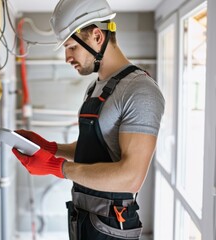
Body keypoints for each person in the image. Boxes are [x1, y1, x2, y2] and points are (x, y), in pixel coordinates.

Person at [12, 0, 165, 239]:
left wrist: (57, 167)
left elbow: (131, 177)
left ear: (96, 36)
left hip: (111, 227)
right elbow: (96, 151)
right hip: (85, 218)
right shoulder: (96, 87)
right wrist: (51, 148)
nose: (67, 57)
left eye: (72, 47)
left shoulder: (140, 91)